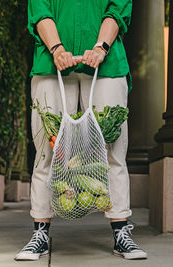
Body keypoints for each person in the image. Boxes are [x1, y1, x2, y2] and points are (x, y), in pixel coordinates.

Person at [14, 0, 147, 261]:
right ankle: (40, 234)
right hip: (51, 65)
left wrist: (101, 47)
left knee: (112, 151)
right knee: (46, 153)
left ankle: (121, 232)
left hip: (106, 65)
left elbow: (117, 8)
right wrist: (57, 48)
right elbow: (40, 10)